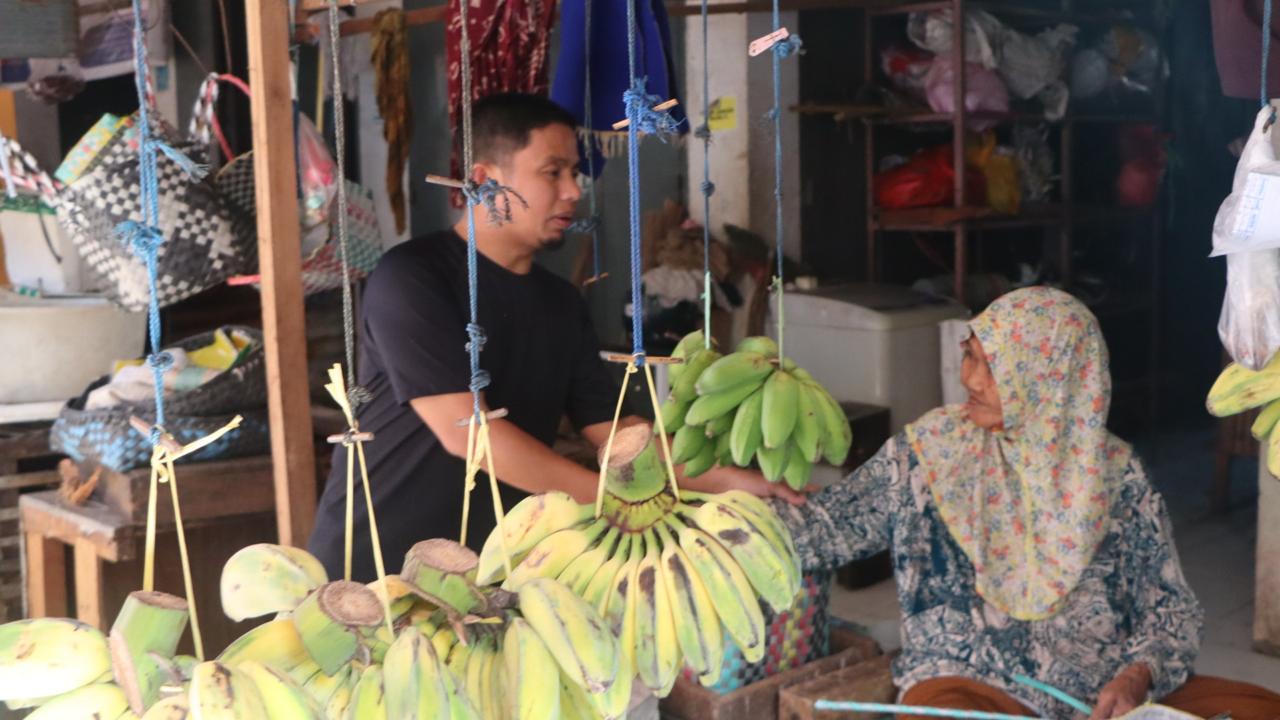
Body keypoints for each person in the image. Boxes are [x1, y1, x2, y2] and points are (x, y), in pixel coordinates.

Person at [309, 93, 798, 583]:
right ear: (483, 181)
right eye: (553, 172)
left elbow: (614, 433)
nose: (572, 191)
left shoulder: (562, 303)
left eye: (574, 174)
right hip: (377, 571)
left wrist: (718, 481)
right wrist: (615, 503)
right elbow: (470, 434)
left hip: (495, 572)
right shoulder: (412, 278)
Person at [772, 286, 1280, 720]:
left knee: (1262, 709)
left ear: (1053, 378)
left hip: (1094, 694)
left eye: (994, 367)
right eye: (970, 355)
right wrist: (717, 491)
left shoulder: (1116, 474)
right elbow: (824, 530)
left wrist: (1135, 676)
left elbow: (1171, 612)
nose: (970, 378)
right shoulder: (928, 453)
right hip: (972, 686)